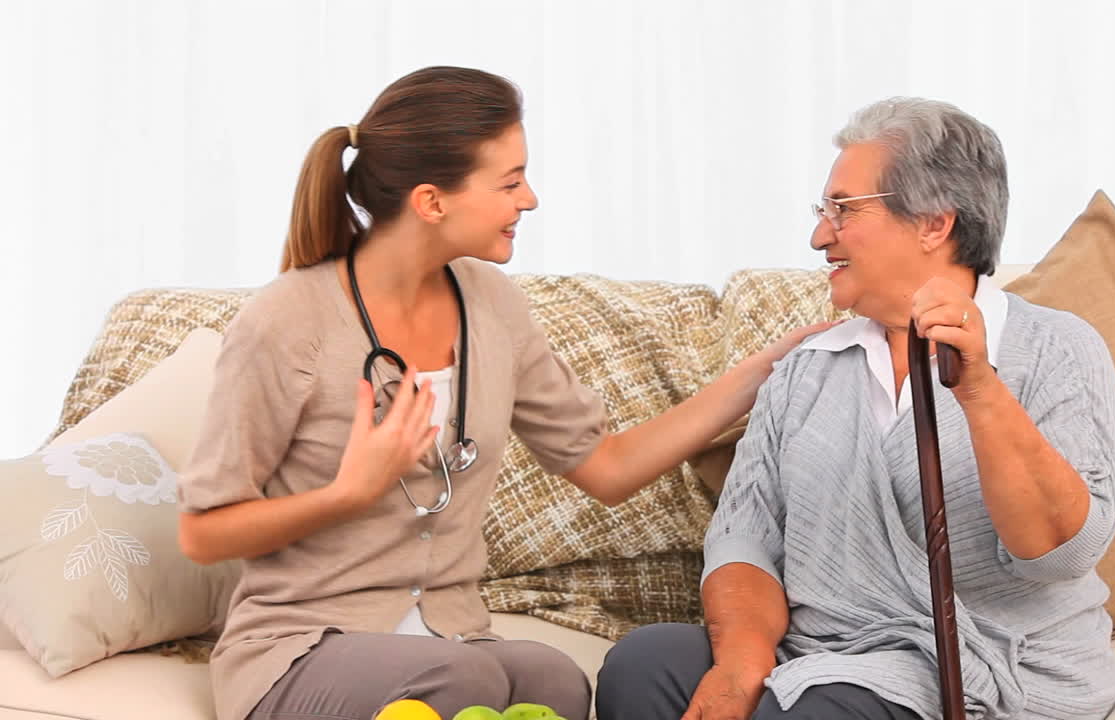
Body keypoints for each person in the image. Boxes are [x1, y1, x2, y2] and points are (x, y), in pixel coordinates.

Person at [175, 66, 829, 720]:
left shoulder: (490, 304)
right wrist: (349, 493)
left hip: (451, 632)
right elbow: (202, 533)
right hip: (303, 645)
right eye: (511, 182)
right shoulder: (287, 323)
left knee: (555, 680)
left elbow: (606, 465)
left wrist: (762, 372)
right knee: (461, 682)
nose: (531, 199)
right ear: (432, 202)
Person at [596, 97, 1115, 720]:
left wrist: (979, 387)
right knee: (645, 665)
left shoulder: (1056, 349)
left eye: (843, 210)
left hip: (982, 665)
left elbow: (1059, 552)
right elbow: (745, 539)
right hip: (821, 651)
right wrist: (741, 664)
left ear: (934, 223)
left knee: (811, 712)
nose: (820, 235)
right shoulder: (807, 370)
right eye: (823, 211)